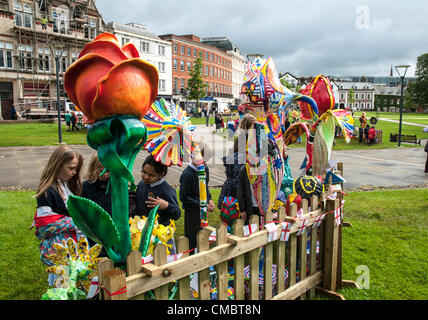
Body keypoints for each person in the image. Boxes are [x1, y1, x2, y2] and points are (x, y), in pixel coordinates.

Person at [32, 145, 85, 285]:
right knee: (63, 286)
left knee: (75, 282)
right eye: (71, 168)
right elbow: (45, 224)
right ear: (58, 165)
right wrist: (76, 222)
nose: (74, 172)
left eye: (76, 168)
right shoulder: (47, 191)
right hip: (60, 250)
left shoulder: (67, 185)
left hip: (72, 246)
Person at [136, 155, 181, 253]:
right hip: (143, 232)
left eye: (151, 175)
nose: (146, 177)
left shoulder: (166, 190)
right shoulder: (141, 185)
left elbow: (177, 213)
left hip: (162, 235)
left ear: (161, 174)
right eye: (144, 172)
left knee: (165, 260)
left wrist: (166, 205)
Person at [179, 148, 215, 252]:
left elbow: (205, 187)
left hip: (202, 210)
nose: (203, 163)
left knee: (203, 232)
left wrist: (209, 199)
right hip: (192, 211)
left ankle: (202, 250)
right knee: (192, 236)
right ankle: (192, 253)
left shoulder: (205, 169)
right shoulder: (187, 174)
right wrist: (200, 204)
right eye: (201, 160)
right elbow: (183, 197)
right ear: (192, 157)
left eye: (205, 161)